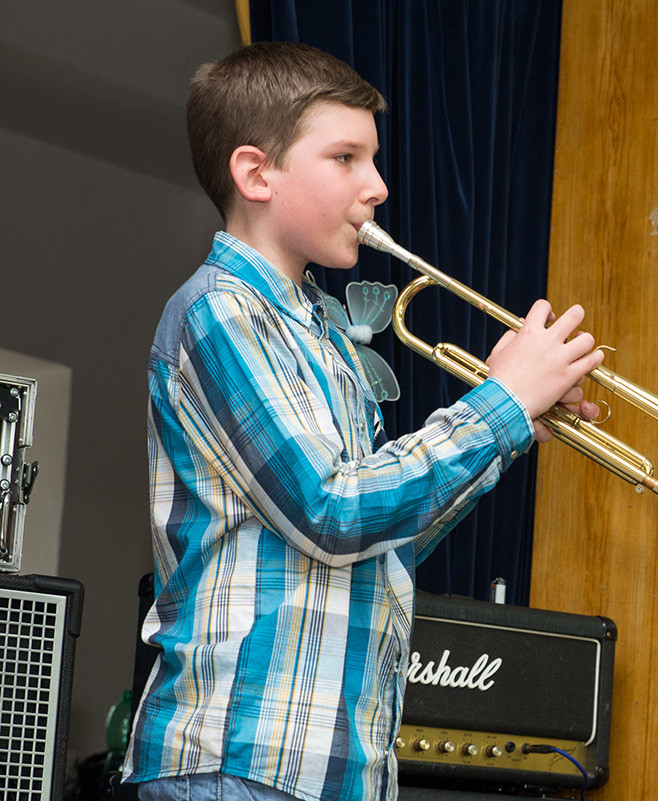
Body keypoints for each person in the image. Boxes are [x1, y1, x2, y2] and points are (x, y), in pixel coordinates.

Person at [122, 41, 603, 801]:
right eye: (346, 158)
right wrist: (500, 405)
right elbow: (333, 511)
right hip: (239, 759)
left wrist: (512, 429)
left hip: (336, 769)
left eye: (372, 160)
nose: (377, 186)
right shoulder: (222, 312)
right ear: (256, 174)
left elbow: (381, 542)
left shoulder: (325, 332)